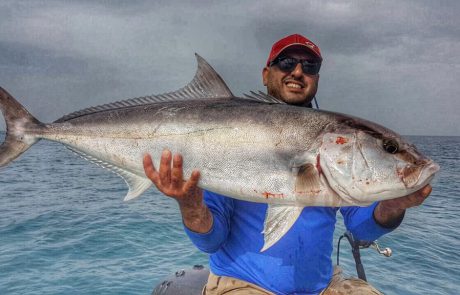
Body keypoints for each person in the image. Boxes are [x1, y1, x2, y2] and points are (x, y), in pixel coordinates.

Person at [143, 34, 432, 295]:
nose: (297, 71)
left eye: (310, 67)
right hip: (242, 284)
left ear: (316, 79)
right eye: (286, 62)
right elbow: (211, 242)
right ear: (266, 73)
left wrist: (392, 206)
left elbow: (362, 229)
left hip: (321, 286)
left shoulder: (336, 164)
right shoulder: (229, 138)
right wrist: (190, 205)